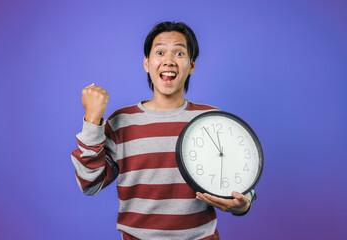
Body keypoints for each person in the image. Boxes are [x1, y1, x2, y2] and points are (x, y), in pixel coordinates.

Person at [71, 21, 256, 240]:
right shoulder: (122, 121)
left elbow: (237, 180)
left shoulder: (212, 119)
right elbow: (90, 183)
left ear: (192, 64)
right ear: (147, 63)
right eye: (160, 52)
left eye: (179, 53)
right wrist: (92, 120)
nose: (168, 61)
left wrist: (243, 203)